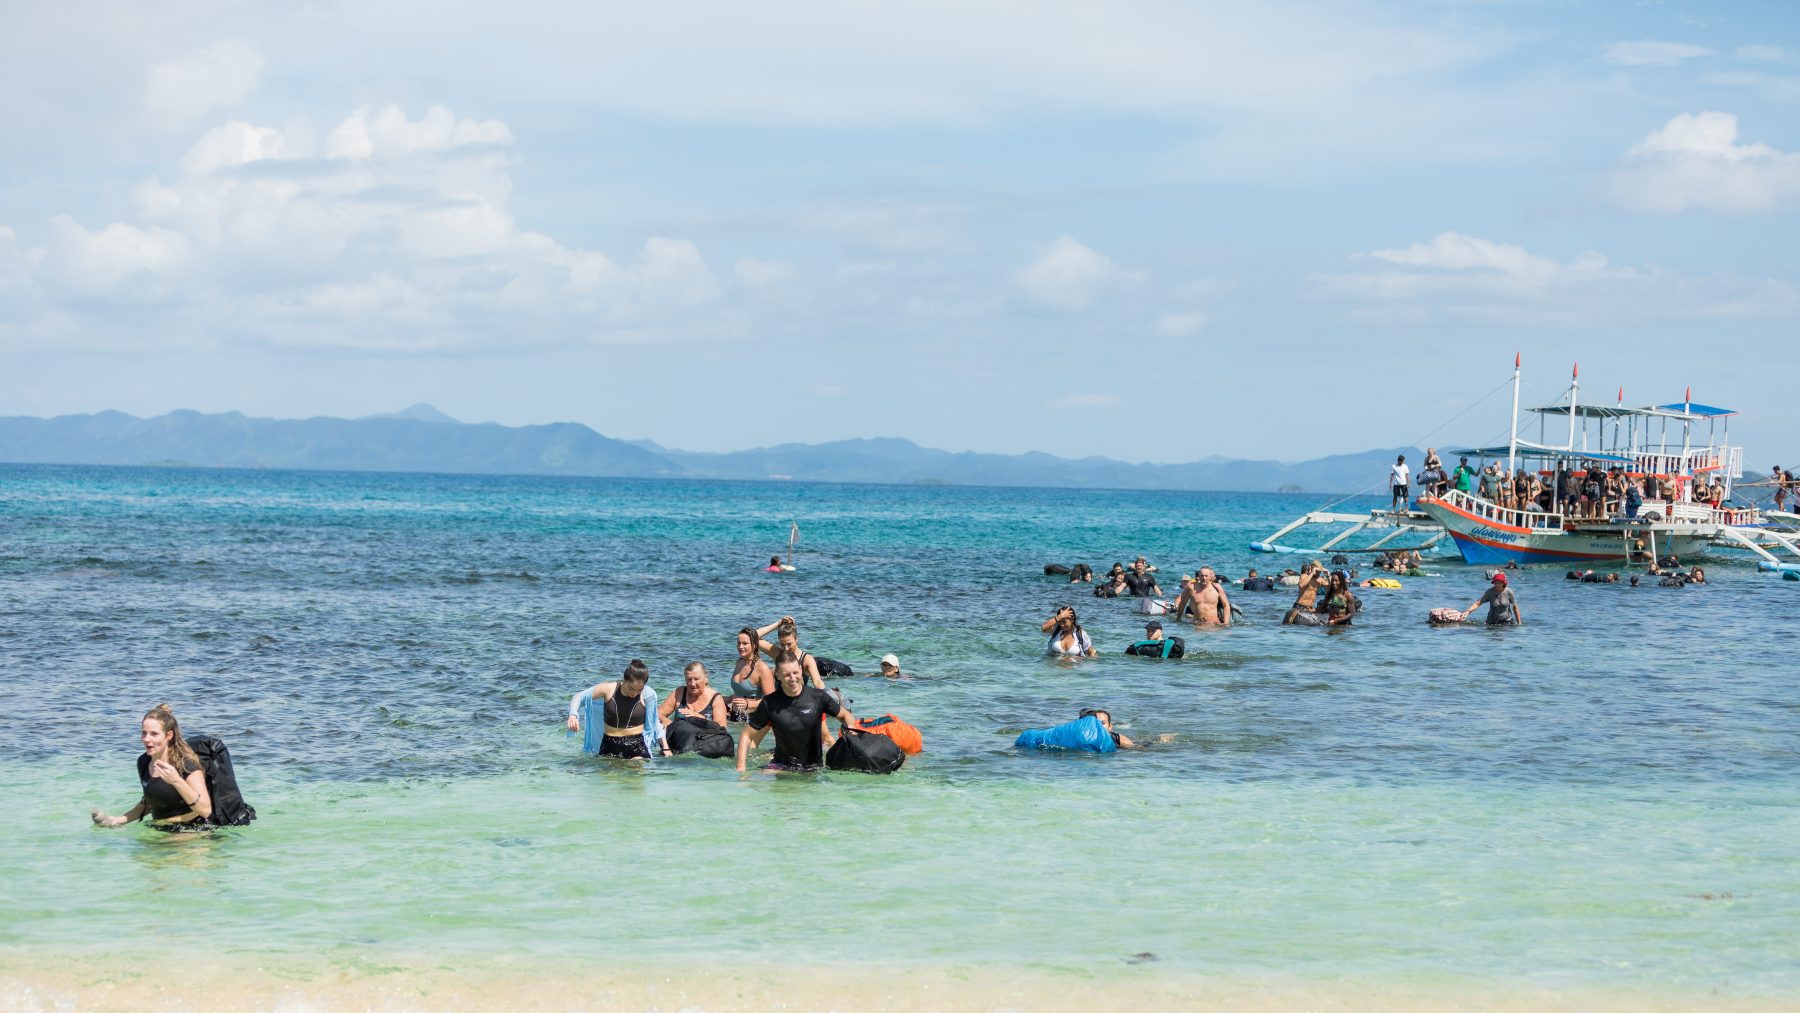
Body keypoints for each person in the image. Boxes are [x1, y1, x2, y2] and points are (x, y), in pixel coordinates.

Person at [91, 703, 215, 831]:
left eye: (154, 734)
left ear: (169, 736)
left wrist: (176, 781)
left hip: (191, 830)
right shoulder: (143, 762)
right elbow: (150, 802)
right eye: (144, 733)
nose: (146, 739)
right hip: (159, 829)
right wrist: (117, 820)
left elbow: (205, 810)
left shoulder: (186, 764)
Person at [736, 651, 858, 772]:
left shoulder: (818, 697)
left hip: (812, 768)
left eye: (795, 672)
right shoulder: (770, 703)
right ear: (778, 675)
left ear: (800, 670)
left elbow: (845, 716)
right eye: (787, 675)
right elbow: (746, 735)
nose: (793, 678)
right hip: (781, 767)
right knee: (756, 781)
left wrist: (851, 729)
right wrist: (741, 769)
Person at [567, 659, 669, 759]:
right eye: (631, 688)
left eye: (639, 690)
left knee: (636, 771)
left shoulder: (648, 694)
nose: (634, 693)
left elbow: (654, 721)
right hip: (609, 744)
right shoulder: (608, 689)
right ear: (624, 680)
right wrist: (573, 714)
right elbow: (579, 696)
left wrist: (665, 747)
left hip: (636, 745)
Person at [756, 616, 828, 689]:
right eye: (782, 644)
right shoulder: (778, 653)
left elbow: (817, 681)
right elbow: (752, 637)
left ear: (796, 639)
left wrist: (823, 697)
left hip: (798, 699)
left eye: (789, 644)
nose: (786, 648)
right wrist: (777, 624)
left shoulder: (806, 659)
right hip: (779, 699)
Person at [660, 661, 729, 729]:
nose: (692, 683)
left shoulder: (715, 698)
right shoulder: (680, 692)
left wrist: (699, 717)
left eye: (696, 679)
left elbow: (722, 728)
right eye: (689, 679)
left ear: (705, 677)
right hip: (680, 738)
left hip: (705, 738)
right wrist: (665, 720)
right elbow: (657, 713)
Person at [727, 626, 774, 721]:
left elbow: (772, 701)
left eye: (745, 643)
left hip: (754, 720)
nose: (740, 647)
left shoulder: (762, 668)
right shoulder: (739, 662)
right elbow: (740, 694)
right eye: (739, 643)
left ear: (754, 645)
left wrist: (748, 704)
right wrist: (722, 699)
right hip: (736, 717)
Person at [1455, 572, 1523, 626]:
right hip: (1492, 622)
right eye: (1495, 583)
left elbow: (1515, 608)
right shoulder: (1490, 592)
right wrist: (1468, 611)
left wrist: (1519, 623)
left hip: (1507, 621)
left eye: (1499, 583)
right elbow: (1478, 603)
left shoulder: (1509, 592)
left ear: (1503, 583)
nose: (1497, 585)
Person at [1281, 560, 1325, 624]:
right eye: (1317, 571)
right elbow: (1301, 585)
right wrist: (1312, 573)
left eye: (1320, 571)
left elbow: (1329, 588)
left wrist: (1328, 575)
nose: (1319, 573)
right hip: (1299, 607)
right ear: (1312, 569)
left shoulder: (1320, 580)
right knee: (1290, 626)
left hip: (1309, 609)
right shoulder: (1304, 576)